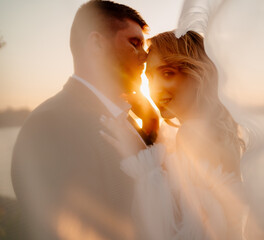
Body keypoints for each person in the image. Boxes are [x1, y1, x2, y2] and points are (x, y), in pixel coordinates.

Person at [11, 1, 154, 239]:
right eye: (135, 43)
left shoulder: (125, 119)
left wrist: (151, 130)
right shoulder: (51, 124)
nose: (144, 57)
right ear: (96, 43)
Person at [101, 31, 250, 240]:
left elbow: (178, 227)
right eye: (150, 78)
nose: (156, 89)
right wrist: (152, 125)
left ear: (198, 74)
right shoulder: (220, 126)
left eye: (167, 74)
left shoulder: (191, 133)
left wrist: (135, 157)